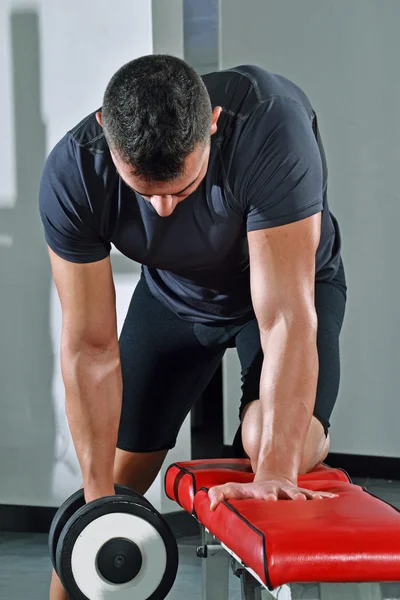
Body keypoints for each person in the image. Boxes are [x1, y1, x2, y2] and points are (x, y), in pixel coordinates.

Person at [39, 55, 346, 599]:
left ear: (213, 123)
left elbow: (285, 321)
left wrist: (274, 472)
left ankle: (308, 437)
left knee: (266, 444)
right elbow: (89, 348)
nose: (160, 210)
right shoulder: (75, 170)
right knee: (112, 479)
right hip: (174, 298)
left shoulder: (269, 126)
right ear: (105, 130)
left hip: (280, 300)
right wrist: (97, 511)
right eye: (144, 191)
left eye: (180, 190)